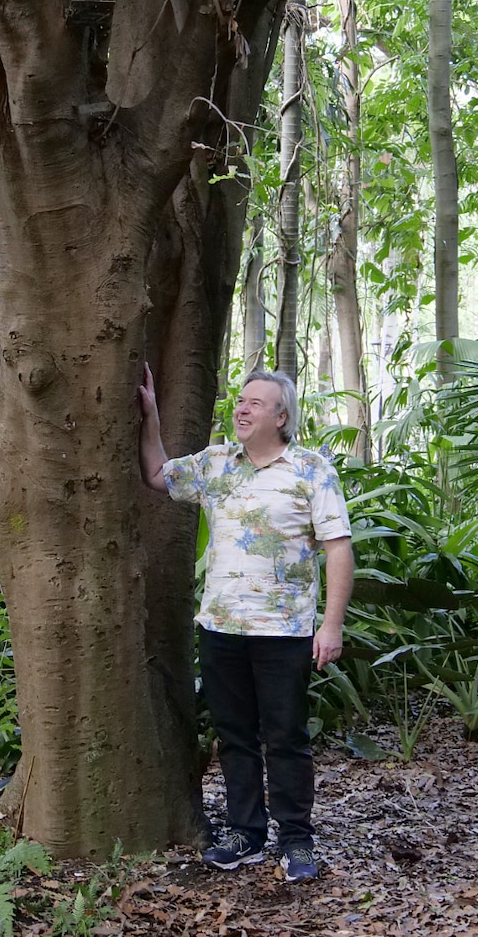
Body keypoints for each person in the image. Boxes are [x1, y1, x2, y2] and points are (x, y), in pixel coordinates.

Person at [138, 363, 353, 882]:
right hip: (221, 627)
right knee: (234, 737)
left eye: (255, 402)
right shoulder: (216, 464)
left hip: (284, 632)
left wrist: (332, 626)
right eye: (240, 400)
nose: (242, 407)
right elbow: (156, 476)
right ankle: (246, 834)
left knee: (285, 738)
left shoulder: (312, 470)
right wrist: (150, 419)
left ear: (281, 417)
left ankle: (296, 840)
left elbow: (339, 550)